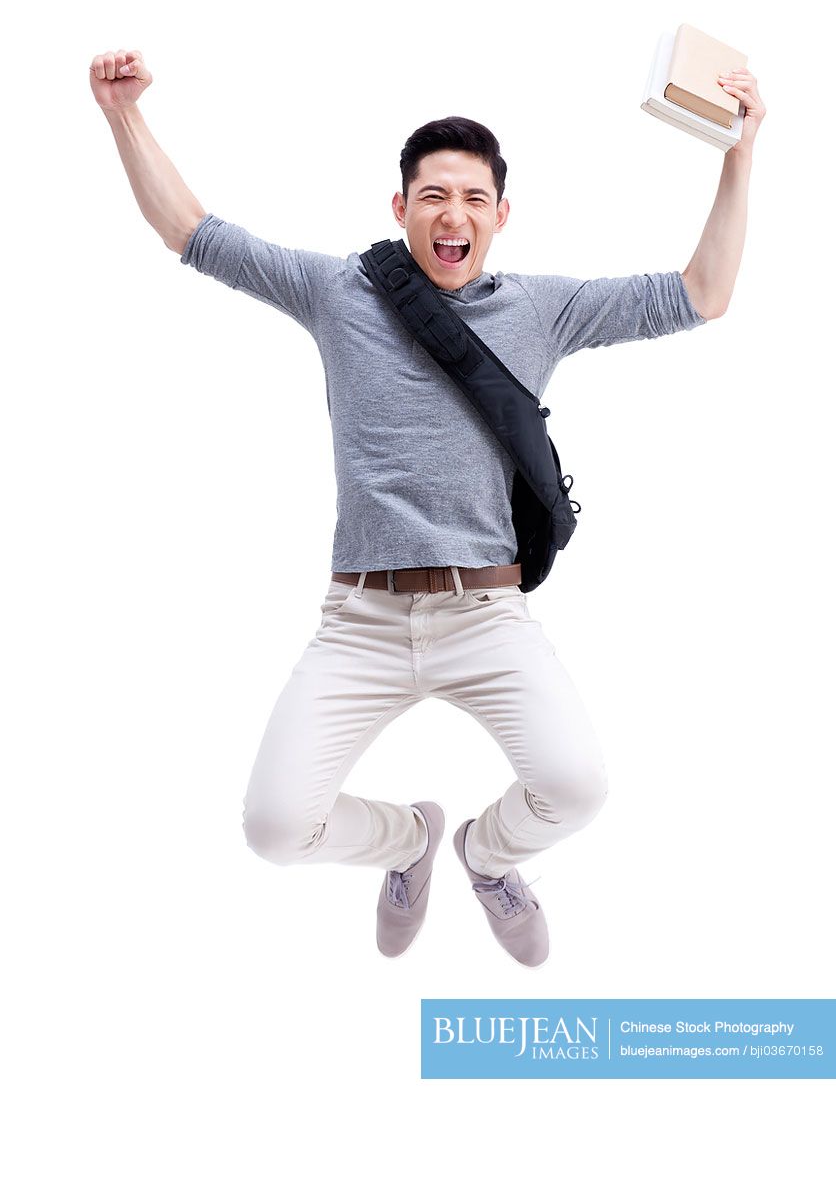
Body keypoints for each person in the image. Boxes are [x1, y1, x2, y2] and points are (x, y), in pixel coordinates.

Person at [90, 47, 765, 967]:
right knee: (276, 828)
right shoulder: (339, 291)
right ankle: (408, 838)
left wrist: (741, 151)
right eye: (434, 196)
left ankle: (485, 856)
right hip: (360, 617)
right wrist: (122, 113)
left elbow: (703, 294)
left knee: (578, 787)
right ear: (400, 208)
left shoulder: (542, 308)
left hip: (485, 612)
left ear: (500, 217)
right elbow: (190, 229)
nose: (454, 216)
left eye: (474, 199)